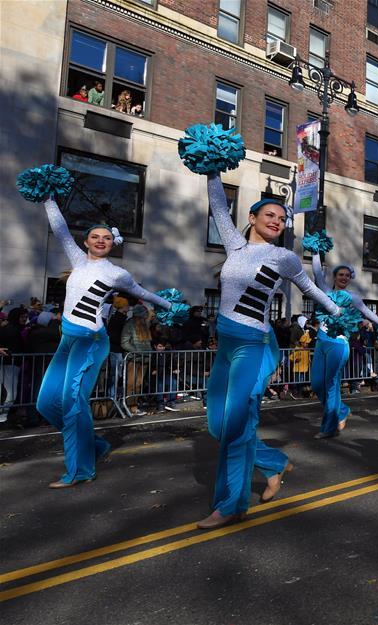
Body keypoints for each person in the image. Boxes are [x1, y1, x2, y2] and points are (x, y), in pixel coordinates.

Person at [196, 168, 340, 528]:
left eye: (281, 217)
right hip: (226, 344)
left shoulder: (284, 258)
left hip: (254, 345)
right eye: (269, 215)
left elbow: (311, 290)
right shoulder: (234, 243)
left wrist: (340, 313)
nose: (276, 221)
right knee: (218, 426)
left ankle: (230, 505)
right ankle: (273, 463)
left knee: (233, 426)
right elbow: (216, 204)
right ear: (252, 218)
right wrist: (212, 166)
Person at [21, 170, 173, 487]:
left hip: (91, 340)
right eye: (95, 237)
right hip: (67, 340)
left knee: (73, 403)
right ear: (86, 242)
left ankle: (79, 470)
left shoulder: (117, 274)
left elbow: (144, 295)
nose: (101, 241)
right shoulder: (77, 260)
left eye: (106, 238)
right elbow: (60, 228)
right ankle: (96, 446)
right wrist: (49, 196)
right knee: (46, 403)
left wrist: (172, 306)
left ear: (111, 244)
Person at [310, 250, 378, 438]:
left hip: (339, 344)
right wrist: (315, 250)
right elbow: (316, 272)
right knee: (316, 384)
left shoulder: (353, 297)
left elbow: (367, 312)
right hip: (322, 340)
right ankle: (343, 410)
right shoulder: (325, 292)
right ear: (335, 276)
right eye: (340, 275)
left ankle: (328, 427)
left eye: (347, 275)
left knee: (331, 384)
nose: (344, 278)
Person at [120, 304, 153, 416]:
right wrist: (137, 351)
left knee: (138, 384)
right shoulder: (129, 324)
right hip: (133, 358)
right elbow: (124, 342)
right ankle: (128, 407)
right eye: (143, 315)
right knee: (130, 384)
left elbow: (147, 343)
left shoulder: (144, 325)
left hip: (144, 359)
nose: (145, 317)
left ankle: (134, 407)